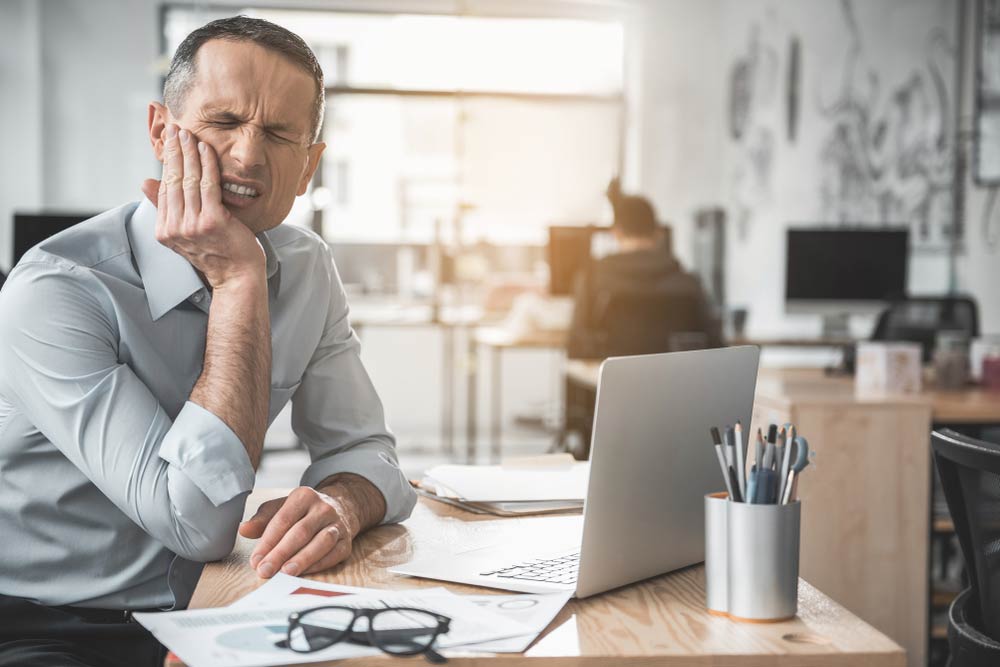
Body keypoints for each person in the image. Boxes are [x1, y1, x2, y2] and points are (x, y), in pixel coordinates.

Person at [0, 16, 415, 667]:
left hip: (221, 601)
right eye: (223, 122)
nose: (249, 156)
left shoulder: (307, 267)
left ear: (309, 167)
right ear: (162, 131)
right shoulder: (56, 289)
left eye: (279, 133)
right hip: (52, 625)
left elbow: (367, 451)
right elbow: (194, 522)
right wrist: (239, 280)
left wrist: (342, 501)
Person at [567, 178, 721, 358]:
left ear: (616, 233)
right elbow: (715, 346)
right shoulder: (689, 284)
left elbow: (575, 348)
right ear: (657, 234)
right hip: (674, 383)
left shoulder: (592, 280)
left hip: (614, 383)